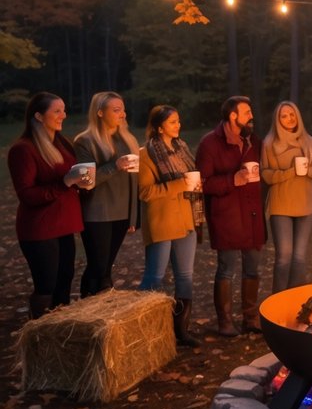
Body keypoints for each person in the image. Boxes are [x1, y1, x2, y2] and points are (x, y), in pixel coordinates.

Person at [7, 92, 90, 318]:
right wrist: (64, 183)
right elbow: (27, 195)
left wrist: (82, 184)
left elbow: (69, 179)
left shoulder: (62, 143)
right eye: (57, 111)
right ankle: (38, 329)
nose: (63, 115)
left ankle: (58, 330)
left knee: (64, 281)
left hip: (64, 225)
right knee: (46, 285)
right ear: (38, 116)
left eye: (64, 110)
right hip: (40, 229)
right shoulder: (23, 149)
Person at [196, 95, 266, 335]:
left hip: (252, 214)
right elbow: (202, 183)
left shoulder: (253, 141)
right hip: (227, 215)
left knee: (252, 269)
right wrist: (231, 180)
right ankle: (225, 321)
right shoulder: (210, 144)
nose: (251, 116)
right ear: (233, 116)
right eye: (247, 113)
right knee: (226, 269)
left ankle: (250, 318)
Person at [138, 104, 205, 347]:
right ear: (159, 127)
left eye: (178, 121)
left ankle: (181, 331)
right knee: (155, 276)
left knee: (185, 276)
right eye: (172, 122)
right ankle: (145, 328)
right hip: (163, 220)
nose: (178, 125)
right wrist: (180, 184)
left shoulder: (182, 148)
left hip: (186, 219)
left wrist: (196, 185)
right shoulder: (146, 154)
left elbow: (191, 178)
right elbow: (145, 192)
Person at [74, 91, 140, 296]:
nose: (123, 114)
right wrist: (115, 166)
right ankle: (89, 306)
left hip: (121, 212)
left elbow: (134, 181)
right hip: (97, 213)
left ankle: (102, 305)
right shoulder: (85, 141)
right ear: (100, 112)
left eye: (123, 110)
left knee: (106, 266)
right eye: (116, 110)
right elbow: (85, 181)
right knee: (98, 267)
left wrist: (134, 215)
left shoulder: (127, 140)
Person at [261, 101, 312, 293]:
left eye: (292, 114)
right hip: (281, 205)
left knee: (299, 257)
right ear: (277, 120)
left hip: (307, 203)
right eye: (284, 116)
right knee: (284, 256)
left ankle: (295, 299)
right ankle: (277, 299)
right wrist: (290, 172)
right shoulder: (270, 144)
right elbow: (266, 175)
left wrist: (306, 171)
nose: (289, 118)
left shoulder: (309, 141)